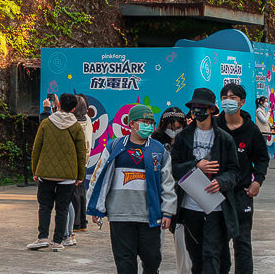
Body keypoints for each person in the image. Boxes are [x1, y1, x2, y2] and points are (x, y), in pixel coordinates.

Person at [86, 103, 176, 274]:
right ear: (132, 124)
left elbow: (168, 183)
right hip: (120, 215)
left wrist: (167, 211)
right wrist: (96, 209)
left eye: (151, 122)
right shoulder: (114, 147)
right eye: (143, 121)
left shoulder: (159, 151)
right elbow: (99, 178)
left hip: (149, 216)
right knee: (125, 263)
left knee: (152, 260)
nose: (148, 125)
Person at [169, 88, 241, 274]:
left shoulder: (224, 139)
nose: (197, 111)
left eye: (201, 107)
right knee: (197, 257)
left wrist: (221, 182)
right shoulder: (183, 137)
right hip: (190, 207)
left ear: (211, 109)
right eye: (194, 107)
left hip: (216, 207)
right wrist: (196, 166)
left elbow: (234, 171)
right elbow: (174, 168)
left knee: (212, 255)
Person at [216, 83, 269, 274]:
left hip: (241, 193)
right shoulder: (214, 125)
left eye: (233, 98)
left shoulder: (251, 130)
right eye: (224, 98)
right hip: (216, 193)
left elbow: (262, 158)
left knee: (242, 242)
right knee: (218, 243)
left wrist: (258, 181)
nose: (228, 101)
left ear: (242, 102)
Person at [27, 93, 86, 252]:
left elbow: (37, 148)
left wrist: (35, 170)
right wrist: (80, 175)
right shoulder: (76, 127)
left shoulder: (46, 123)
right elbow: (81, 152)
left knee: (45, 206)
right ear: (73, 109)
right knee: (62, 209)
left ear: (58, 106)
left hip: (46, 173)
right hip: (68, 176)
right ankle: (58, 242)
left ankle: (42, 238)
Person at [152, 107, 189, 274]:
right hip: (159, 194)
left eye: (177, 126)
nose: (174, 130)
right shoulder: (155, 142)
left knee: (183, 240)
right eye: (170, 126)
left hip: (183, 194)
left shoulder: (189, 141)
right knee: (154, 242)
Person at [66, 94, 91, 242]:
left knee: (75, 193)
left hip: (76, 161)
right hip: (83, 161)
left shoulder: (75, 123)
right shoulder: (87, 120)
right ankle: (82, 221)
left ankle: (76, 223)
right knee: (81, 192)